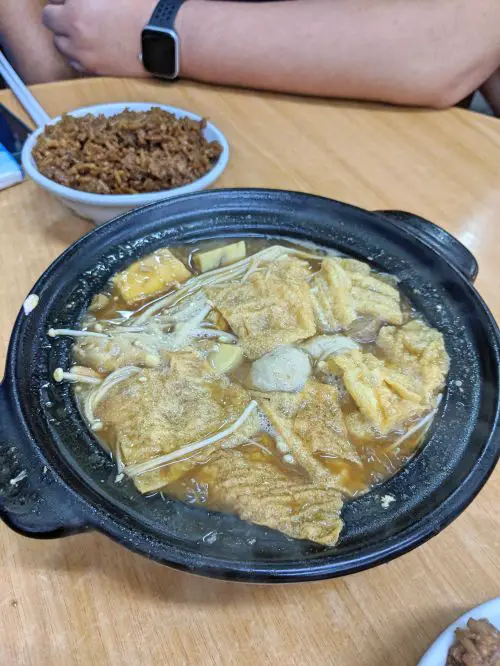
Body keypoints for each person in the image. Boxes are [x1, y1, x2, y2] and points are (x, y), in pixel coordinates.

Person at [2, 0, 500, 113]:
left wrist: (161, 32)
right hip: (118, 100)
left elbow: (444, 45)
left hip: (377, 139)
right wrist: (56, 92)